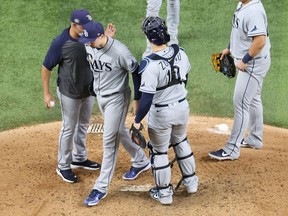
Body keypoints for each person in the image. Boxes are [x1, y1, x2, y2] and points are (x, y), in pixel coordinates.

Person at [77, 21, 151, 206]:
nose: (87, 43)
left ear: (100, 36)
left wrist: (137, 99)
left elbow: (135, 72)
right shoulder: (92, 44)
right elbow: (99, 49)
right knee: (119, 131)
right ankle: (141, 161)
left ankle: (100, 188)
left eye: (90, 40)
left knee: (109, 140)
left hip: (117, 99)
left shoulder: (121, 52)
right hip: (101, 97)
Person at [41, 9, 115, 183]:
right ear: (74, 25)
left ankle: (79, 157)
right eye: (84, 25)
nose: (87, 28)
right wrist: (46, 93)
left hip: (88, 91)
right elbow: (46, 67)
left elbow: (101, 50)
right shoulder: (60, 42)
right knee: (69, 127)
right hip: (69, 93)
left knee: (83, 124)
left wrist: (108, 38)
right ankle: (63, 165)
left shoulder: (88, 37)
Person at [133, 16, 198, 205]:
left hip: (162, 114)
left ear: (149, 37)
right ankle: (191, 182)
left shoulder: (149, 64)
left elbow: (146, 99)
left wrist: (137, 120)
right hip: (182, 107)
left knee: (159, 152)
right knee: (180, 140)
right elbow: (185, 78)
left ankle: (164, 194)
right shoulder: (181, 53)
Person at [208, 0, 271, 161]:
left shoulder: (254, 11)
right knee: (253, 98)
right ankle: (255, 138)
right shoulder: (243, 4)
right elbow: (239, 30)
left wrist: (244, 60)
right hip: (254, 60)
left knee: (241, 103)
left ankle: (231, 149)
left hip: (252, 63)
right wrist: (230, 47)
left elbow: (260, 40)